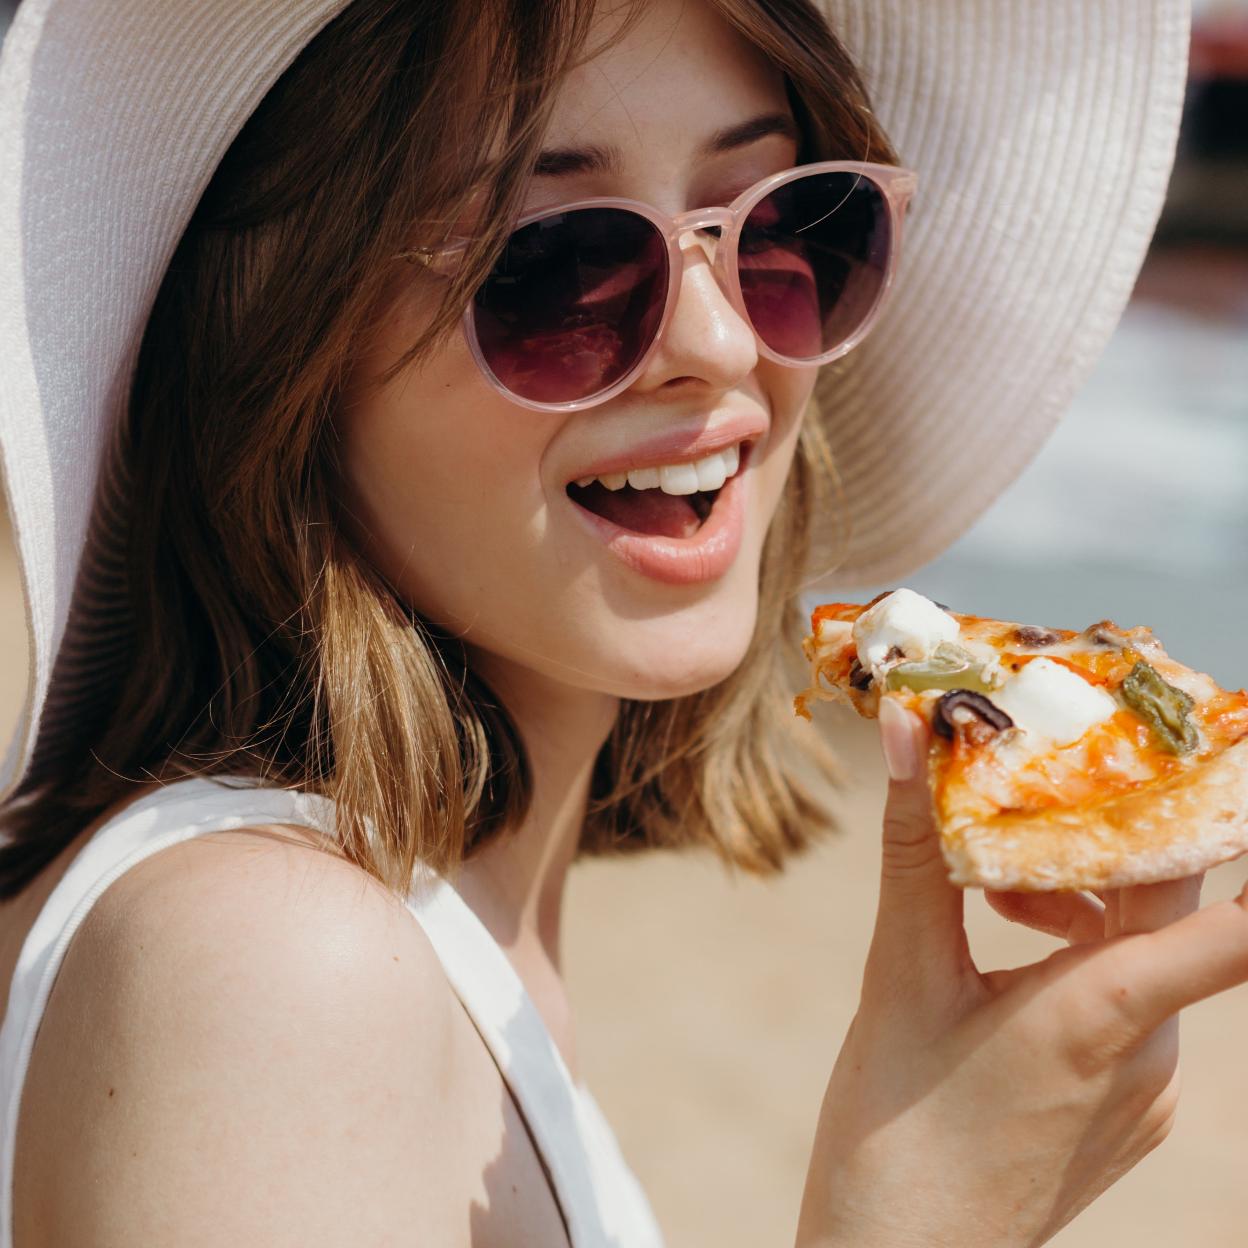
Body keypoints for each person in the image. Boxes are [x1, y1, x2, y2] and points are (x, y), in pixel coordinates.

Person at [0, 0, 1242, 1244]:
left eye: (782, 229)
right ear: (284, 344)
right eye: (557, 266)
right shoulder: (274, 971)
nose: (716, 342)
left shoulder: (428, 925)